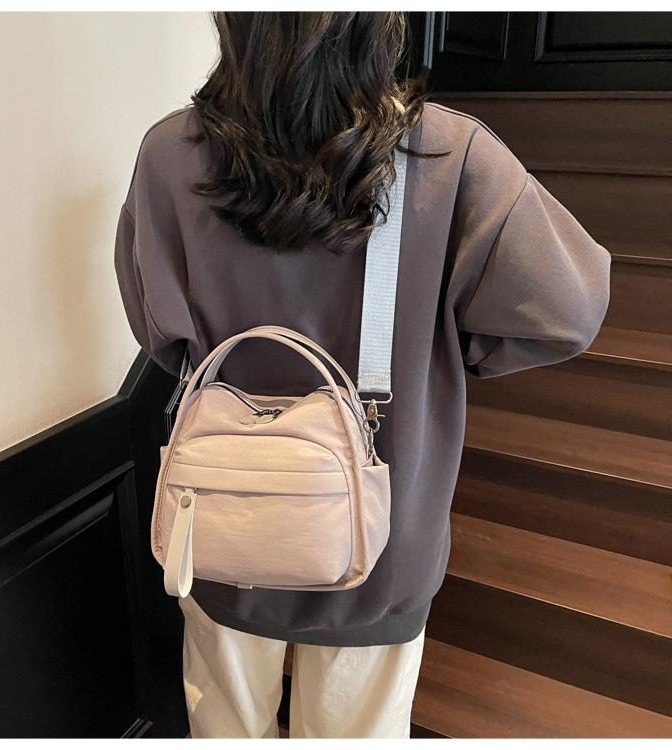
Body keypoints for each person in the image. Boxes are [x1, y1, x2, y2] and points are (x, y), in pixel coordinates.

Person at [114, 12, 611, 739]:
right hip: (383, 539)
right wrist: (449, 355)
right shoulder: (450, 155)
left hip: (223, 523)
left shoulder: (169, 154)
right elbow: (569, 310)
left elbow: (159, 332)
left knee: (225, 725)